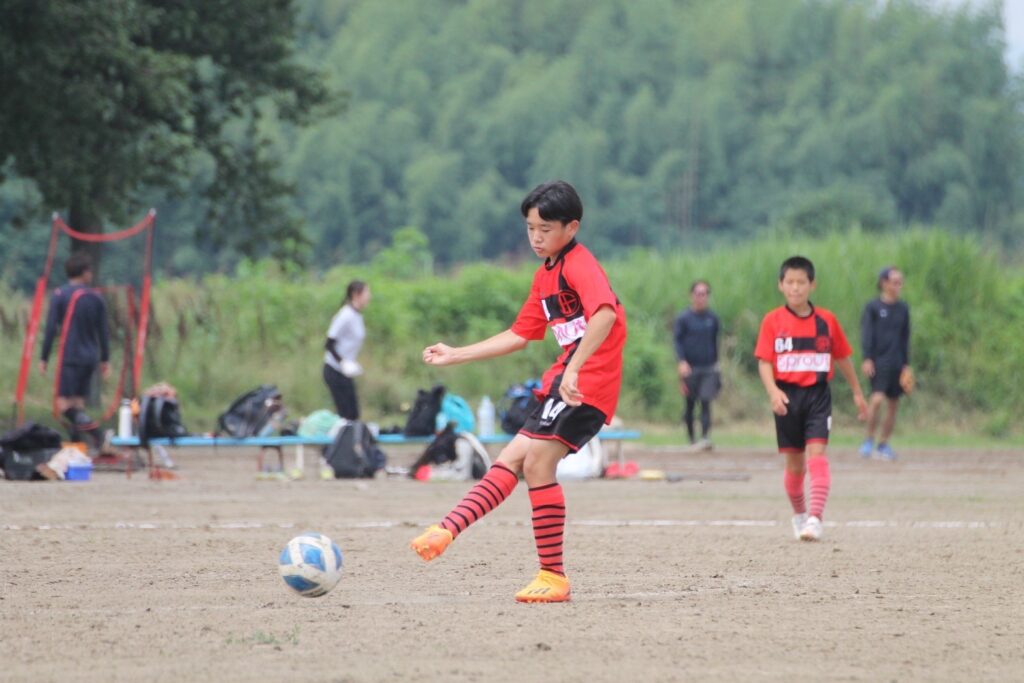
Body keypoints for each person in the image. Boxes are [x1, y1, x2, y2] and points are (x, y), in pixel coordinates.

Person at [408, 180, 627, 603]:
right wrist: (456, 354)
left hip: (588, 383)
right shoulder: (545, 276)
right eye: (530, 228)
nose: (536, 237)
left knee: (538, 462)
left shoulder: (579, 264)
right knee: (511, 458)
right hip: (565, 380)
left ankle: (553, 576)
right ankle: (446, 529)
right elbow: (519, 335)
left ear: (572, 228)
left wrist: (575, 368)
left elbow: (605, 314)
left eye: (545, 229)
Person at [754, 256, 867, 542]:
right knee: (795, 466)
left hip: (817, 395)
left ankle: (816, 518)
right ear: (781, 285)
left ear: (812, 285)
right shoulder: (772, 321)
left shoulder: (826, 321)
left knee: (817, 455)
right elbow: (764, 362)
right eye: (790, 282)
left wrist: (857, 392)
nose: (795, 288)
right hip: (787, 397)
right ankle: (800, 515)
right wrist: (773, 392)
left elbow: (842, 357)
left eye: (801, 282)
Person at [38, 252, 111, 452]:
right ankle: (77, 448)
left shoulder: (60, 295)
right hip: (90, 357)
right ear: (85, 273)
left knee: (64, 406)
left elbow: (51, 328)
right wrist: (105, 359)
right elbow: (103, 331)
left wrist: (44, 357)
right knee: (77, 405)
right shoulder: (96, 297)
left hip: (70, 356)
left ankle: (99, 435)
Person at [858, 267, 911, 461]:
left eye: (900, 282)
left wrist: (906, 364)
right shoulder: (872, 307)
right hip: (879, 361)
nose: (898, 286)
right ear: (884, 283)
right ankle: (868, 440)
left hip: (897, 362)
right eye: (895, 282)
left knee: (893, 404)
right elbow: (867, 334)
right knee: (877, 399)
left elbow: (905, 338)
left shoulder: (903, 308)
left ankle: (883, 444)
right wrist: (867, 358)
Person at [672, 279, 721, 450]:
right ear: (692, 295)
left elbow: (715, 342)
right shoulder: (684, 318)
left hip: (708, 367)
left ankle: (705, 437)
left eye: (705, 294)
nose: (701, 297)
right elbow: (677, 342)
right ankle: (692, 439)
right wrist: (681, 361)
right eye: (698, 294)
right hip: (690, 368)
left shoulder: (712, 318)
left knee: (706, 401)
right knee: (690, 404)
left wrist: (717, 364)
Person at [323, 280, 371, 420]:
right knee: (346, 414)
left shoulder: (357, 316)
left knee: (353, 413)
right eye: (366, 293)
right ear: (356, 294)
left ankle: (348, 434)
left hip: (345, 372)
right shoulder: (345, 315)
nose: (369, 296)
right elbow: (329, 344)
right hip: (334, 370)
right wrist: (342, 362)